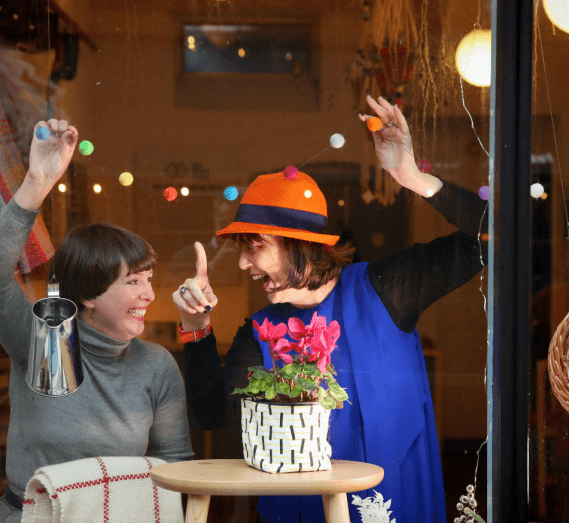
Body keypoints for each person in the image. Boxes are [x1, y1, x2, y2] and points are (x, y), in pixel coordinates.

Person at [172, 95, 487, 523]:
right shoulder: (259, 330)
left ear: (298, 243)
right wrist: (196, 327)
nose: (244, 263)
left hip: (390, 505)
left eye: (254, 246)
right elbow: (212, 416)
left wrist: (411, 176)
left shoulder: (387, 288)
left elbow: (491, 235)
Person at [0, 119, 193, 523]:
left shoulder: (156, 365)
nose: (149, 294)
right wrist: (37, 183)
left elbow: (174, 469)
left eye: (148, 280)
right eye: (133, 282)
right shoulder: (47, 343)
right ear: (89, 294)